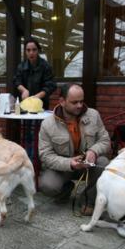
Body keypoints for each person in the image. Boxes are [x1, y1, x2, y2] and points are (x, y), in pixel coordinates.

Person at [38, 84, 111, 215]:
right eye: (74, 102)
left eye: (81, 101)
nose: (79, 105)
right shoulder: (47, 124)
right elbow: (45, 156)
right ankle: (66, 189)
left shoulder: (94, 115)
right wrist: (70, 163)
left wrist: (93, 151)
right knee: (47, 184)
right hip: (63, 169)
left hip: (89, 165)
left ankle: (87, 199)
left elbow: (105, 140)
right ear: (62, 101)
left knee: (104, 163)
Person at [14, 37, 56, 110]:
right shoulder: (21, 66)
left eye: (34, 50)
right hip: (25, 105)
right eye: (28, 50)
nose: (31, 53)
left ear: (38, 50)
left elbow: (51, 85)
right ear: (25, 52)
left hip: (41, 105)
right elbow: (16, 81)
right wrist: (24, 90)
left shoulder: (46, 66)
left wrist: (36, 97)